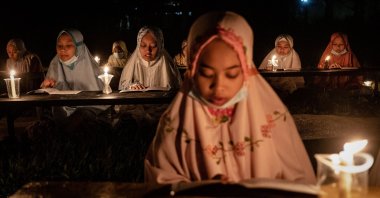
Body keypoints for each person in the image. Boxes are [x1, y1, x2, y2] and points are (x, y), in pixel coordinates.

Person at [144, 11, 316, 184]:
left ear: (246, 71)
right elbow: (160, 178)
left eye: (232, 74)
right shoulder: (174, 126)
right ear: (192, 70)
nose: (219, 85)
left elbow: (299, 181)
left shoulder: (274, 121)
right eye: (206, 73)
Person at [40, 28, 110, 131]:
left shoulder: (91, 67)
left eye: (68, 45)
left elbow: (100, 101)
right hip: (63, 108)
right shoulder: (55, 64)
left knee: (80, 117)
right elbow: (48, 92)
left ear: (79, 47)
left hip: (89, 108)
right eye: (59, 46)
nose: (63, 50)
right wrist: (45, 87)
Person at [118, 26, 181, 90]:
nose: (148, 50)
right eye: (143, 45)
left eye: (153, 46)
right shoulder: (132, 66)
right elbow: (123, 86)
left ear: (160, 46)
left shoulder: (168, 66)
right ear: (138, 45)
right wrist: (131, 86)